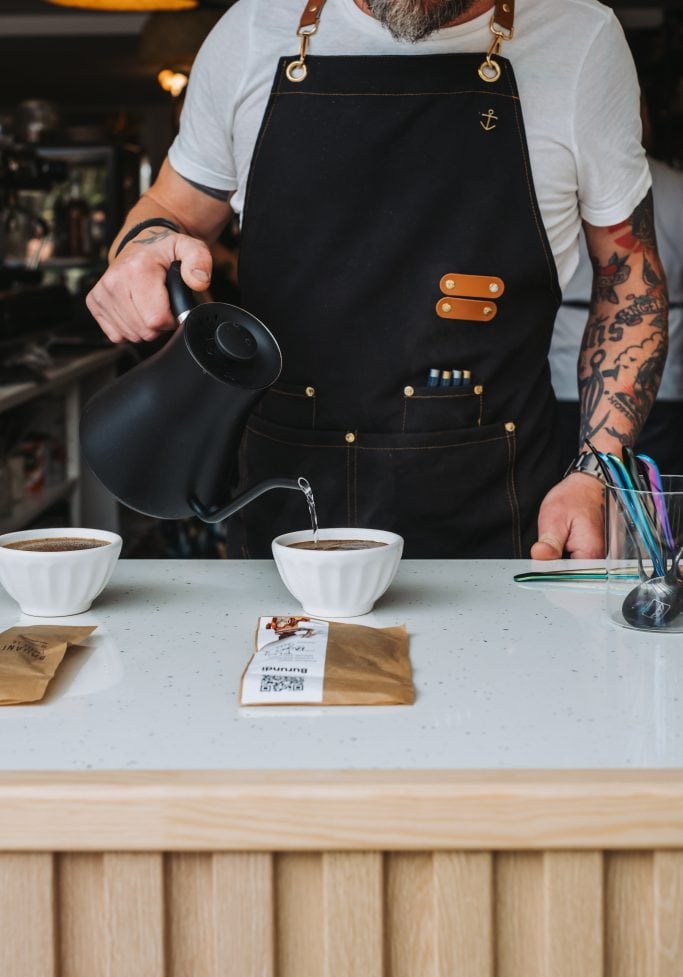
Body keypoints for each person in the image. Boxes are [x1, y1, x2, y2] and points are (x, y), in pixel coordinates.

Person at [86, 0, 669, 560]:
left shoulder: (581, 40)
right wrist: (140, 249)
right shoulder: (252, 30)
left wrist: (596, 476)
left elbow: (631, 283)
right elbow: (172, 207)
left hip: (497, 507)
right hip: (286, 505)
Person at [550, 148, 683, 474]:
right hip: (655, 378)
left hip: (575, 372)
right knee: (651, 503)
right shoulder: (675, 185)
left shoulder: (560, 179)